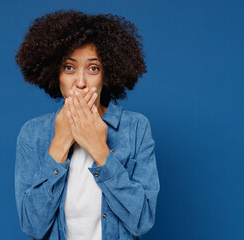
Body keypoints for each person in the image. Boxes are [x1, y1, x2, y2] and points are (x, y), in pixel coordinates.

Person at [14, 10, 160, 240]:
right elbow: (33, 225)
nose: (80, 82)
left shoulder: (135, 128)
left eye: (93, 68)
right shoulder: (33, 134)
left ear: (107, 75)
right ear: (55, 74)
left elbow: (141, 220)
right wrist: (60, 142)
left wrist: (100, 150)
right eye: (69, 68)